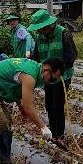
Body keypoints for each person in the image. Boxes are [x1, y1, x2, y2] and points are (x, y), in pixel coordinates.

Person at [0, 56, 64, 164]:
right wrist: (43, 127)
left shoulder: (33, 68)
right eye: (52, 79)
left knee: (7, 122)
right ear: (46, 69)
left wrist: (19, 105)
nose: (50, 82)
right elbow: (28, 107)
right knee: (0, 122)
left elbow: (14, 85)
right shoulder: (29, 75)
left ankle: (4, 160)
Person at [27, 9, 77, 140]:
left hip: (62, 76)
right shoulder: (40, 37)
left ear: (48, 25)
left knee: (58, 105)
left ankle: (59, 135)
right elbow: (36, 57)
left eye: (40, 28)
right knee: (49, 105)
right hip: (46, 77)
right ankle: (53, 133)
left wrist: (59, 70)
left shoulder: (63, 33)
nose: (38, 31)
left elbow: (71, 56)